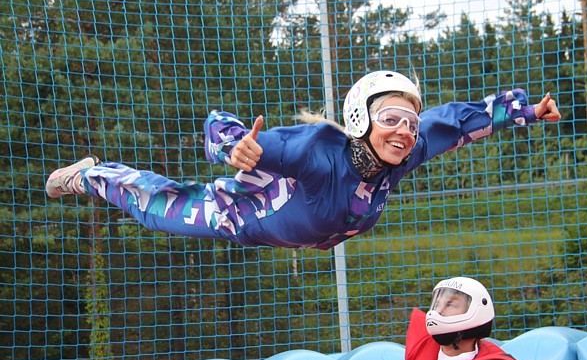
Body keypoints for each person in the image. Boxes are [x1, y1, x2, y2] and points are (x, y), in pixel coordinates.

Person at [46, 71, 561, 250]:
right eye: (391, 118)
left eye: (409, 120)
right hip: (244, 214)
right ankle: (92, 175)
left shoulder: (407, 151)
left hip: (311, 230)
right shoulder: (315, 150)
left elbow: (454, 120)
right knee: (158, 209)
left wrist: (528, 111)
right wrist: (232, 147)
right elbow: (218, 124)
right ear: (361, 117)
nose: (404, 130)